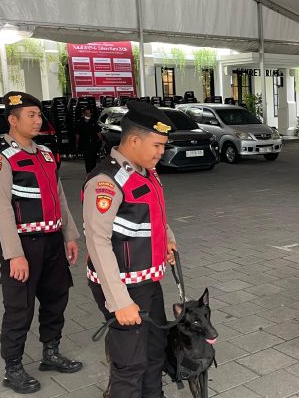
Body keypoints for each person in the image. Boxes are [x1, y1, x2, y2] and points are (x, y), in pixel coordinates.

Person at [0, 91, 82, 394]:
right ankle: (12, 368)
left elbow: (59, 197)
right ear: (13, 120)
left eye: (39, 115)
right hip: (23, 245)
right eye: (31, 116)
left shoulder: (46, 155)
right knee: (19, 308)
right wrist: (15, 255)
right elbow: (1, 210)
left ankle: (50, 353)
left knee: (56, 299)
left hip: (52, 241)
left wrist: (70, 235)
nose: (39, 120)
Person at [83, 100, 178, 398]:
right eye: (158, 145)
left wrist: (168, 240)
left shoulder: (147, 173)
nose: (161, 152)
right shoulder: (106, 182)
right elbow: (97, 242)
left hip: (148, 280)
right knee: (130, 363)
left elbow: (157, 215)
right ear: (134, 140)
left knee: (154, 351)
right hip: (123, 286)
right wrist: (119, 301)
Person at [76, 107, 103, 173]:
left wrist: (100, 142)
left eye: (89, 113)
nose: (88, 115)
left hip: (93, 144)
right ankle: (88, 174)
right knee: (87, 160)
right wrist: (76, 144)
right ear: (83, 114)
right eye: (86, 113)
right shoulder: (80, 123)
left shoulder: (93, 122)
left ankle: (93, 173)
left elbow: (99, 134)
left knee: (93, 160)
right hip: (85, 144)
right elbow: (77, 135)